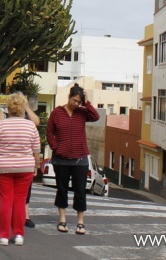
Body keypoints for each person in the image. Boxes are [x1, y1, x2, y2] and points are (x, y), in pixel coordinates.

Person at [0, 92, 40, 246]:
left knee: (6, 201)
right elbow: (36, 149)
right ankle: (18, 235)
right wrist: (35, 166)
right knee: (20, 201)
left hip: (4, 167)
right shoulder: (30, 126)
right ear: (24, 108)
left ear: (8, 108)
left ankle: (3, 235)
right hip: (25, 167)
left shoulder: (1, 125)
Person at [46, 83, 100, 235]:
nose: (76, 104)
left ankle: (80, 222)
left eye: (79, 102)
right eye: (74, 100)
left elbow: (95, 116)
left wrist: (87, 102)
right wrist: (56, 147)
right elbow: (49, 132)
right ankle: (62, 218)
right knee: (62, 189)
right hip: (61, 159)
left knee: (80, 190)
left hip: (80, 158)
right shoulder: (57, 113)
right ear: (69, 97)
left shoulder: (82, 112)